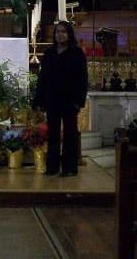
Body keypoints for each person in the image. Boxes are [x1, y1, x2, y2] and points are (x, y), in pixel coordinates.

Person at [33, 20, 88, 176]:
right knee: (53, 135)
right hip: (52, 99)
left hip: (70, 100)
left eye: (63, 31)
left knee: (70, 135)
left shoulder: (77, 53)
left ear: (69, 34)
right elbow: (42, 79)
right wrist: (39, 100)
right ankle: (52, 167)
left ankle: (70, 168)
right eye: (58, 32)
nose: (60, 34)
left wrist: (79, 101)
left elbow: (82, 79)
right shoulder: (49, 53)